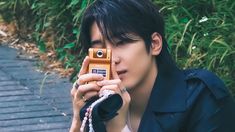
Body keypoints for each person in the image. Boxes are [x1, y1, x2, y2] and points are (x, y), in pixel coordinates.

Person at [70, 0, 235, 131]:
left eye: (122, 42)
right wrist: (78, 121)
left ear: (155, 44)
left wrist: (119, 129)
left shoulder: (201, 96)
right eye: (99, 50)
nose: (112, 59)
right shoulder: (99, 105)